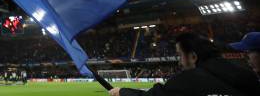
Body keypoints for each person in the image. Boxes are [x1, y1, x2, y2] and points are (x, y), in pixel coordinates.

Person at [108, 33, 260, 96]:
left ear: (193, 56)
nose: (180, 62)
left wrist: (122, 91)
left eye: (180, 55)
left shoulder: (189, 79)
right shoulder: (247, 76)